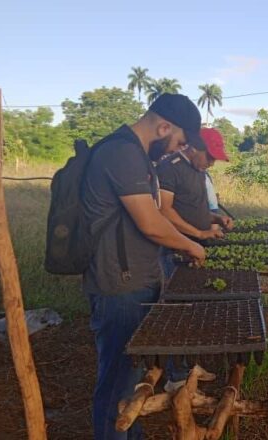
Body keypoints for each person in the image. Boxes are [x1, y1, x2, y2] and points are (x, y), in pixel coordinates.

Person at [81, 93, 207, 439]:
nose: (175, 150)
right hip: (119, 286)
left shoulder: (136, 156)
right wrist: (191, 244)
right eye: (178, 142)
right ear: (163, 126)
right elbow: (150, 222)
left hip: (137, 281)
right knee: (117, 386)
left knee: (133, 381)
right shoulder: (120, 152)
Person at [157, 127, 233, 279]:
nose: (212, 163)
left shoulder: (199, 170)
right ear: (194, 148)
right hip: (177, 250)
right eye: (209, 157)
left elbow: (192, 207)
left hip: (198, 247)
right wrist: (199, 233)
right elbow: (164, 211)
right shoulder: (170, 168)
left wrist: (216, 218)